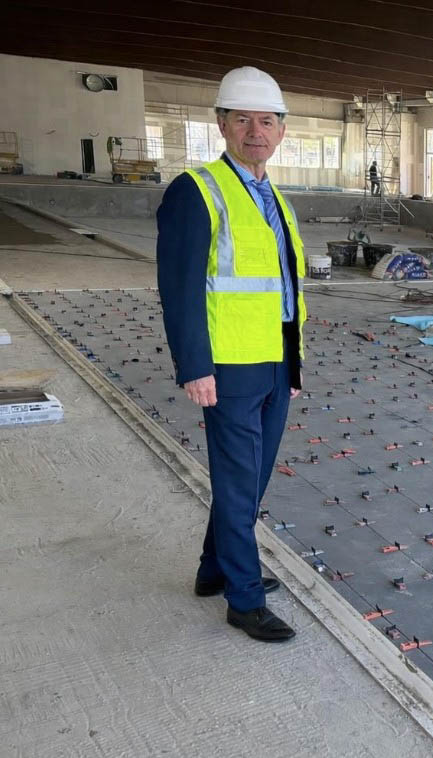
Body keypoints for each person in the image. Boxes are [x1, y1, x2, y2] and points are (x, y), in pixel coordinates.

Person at [156, 66, 308, 643]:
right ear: (221, 125)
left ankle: (212, 568)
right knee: (241, 481)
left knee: (251, 477)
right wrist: (194, 365)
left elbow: (288, 291)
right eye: (242, 119)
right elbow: (180, 285)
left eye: (266, 121)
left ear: (282, 130)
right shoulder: (196, 191)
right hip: (230, 367)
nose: (255, 131)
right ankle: (243, 599)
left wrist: (292, 365)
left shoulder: (277, 201)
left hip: (273, 362)